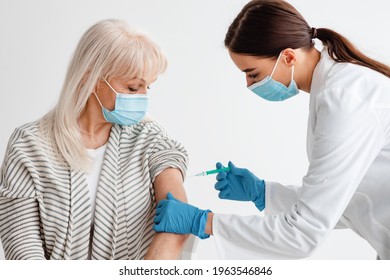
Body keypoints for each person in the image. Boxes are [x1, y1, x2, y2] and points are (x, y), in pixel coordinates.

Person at [153, 0, 390, 259]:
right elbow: (342, 203)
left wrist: (205, 221)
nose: (248, 84)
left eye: (253, 74)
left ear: (288, 56)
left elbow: (302, 234)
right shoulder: (336, 89)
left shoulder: (344, 98)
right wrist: (263, 193)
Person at [0, 19, 189, 260]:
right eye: (133, 88)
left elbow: (177, 222)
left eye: (148, 88)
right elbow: (22, 243)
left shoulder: (153, 140)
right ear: (91, 79)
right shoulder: (29, 145)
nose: (143, 98)